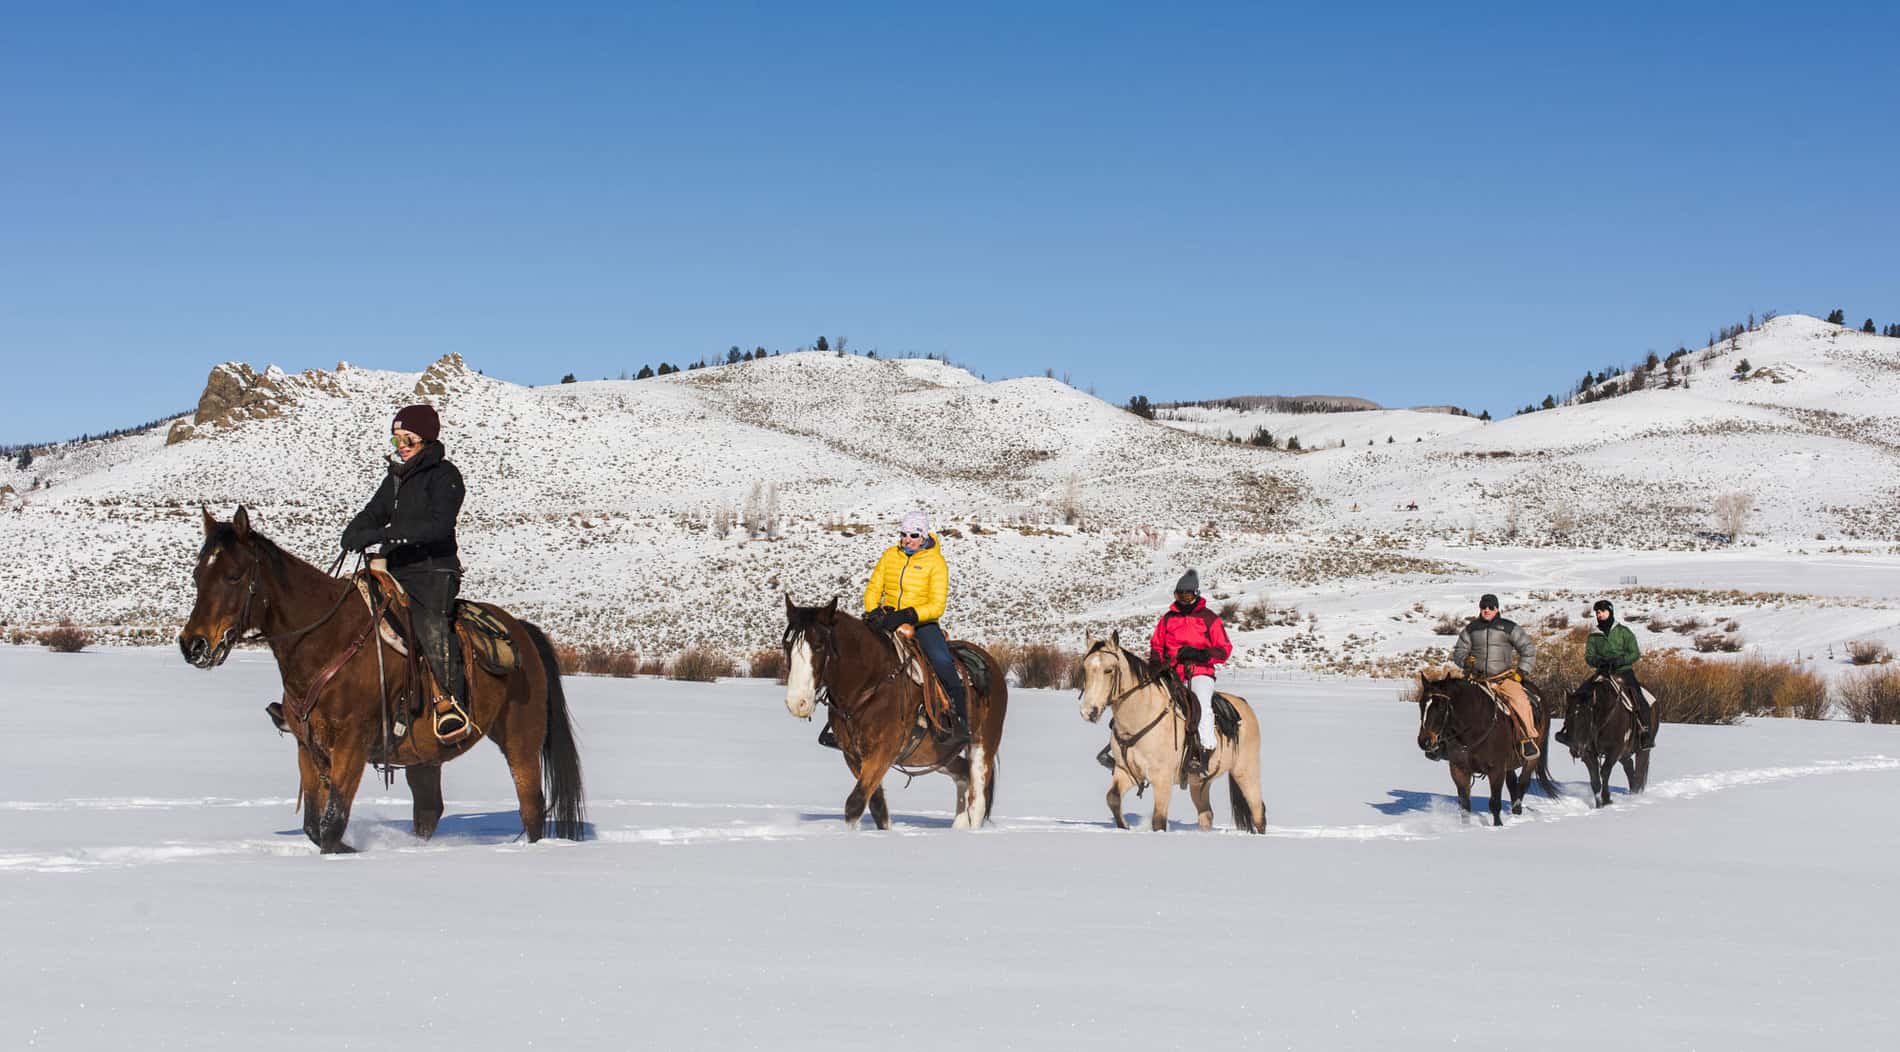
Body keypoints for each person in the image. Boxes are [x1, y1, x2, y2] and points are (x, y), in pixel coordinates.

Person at [340, 404, 470, 742]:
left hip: (432, 571)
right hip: (394, 569)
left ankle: (448, 703)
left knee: (429, 625)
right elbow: (372, 513)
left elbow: (439, 527)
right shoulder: (396, 479)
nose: (402, 444)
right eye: (397, 438)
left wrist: (386, 535)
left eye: (408, 437)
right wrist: (354, 533)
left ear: (426, 438)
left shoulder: (445, 476)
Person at [862, 511, 966, 740]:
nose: (906, 539)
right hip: (886, 618)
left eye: (913, 534)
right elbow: (872, 588)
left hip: (921, 622)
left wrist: (909, 615)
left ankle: (960, 715)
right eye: (903, 534)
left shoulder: (935, 562)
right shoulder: (890, 555)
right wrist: (874, 612)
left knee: (940, 659)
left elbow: (937, 605)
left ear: (924, 536)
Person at [1148, 569, 1233, 775]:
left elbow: (1224, 649)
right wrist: (1155, 662)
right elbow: (1157, 644)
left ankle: (1204, 749)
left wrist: (1202, 654)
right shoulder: (1168, 619)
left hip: (1199, 671)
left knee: (1201, 702)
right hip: (1171, 671)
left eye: (1187, 595)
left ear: (1196, 593)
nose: (1183, 600)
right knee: (1145, 698)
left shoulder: (1209, 618)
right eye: (1179, 595)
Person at [1449, 593, 1541, 761]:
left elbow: (1528, 650)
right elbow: (1459, 652)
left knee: (1520, 700)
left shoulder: (1509, 627)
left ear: (1497, 609)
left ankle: (1527, 738)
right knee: (1453, 703)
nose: (1487, 610)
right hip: (1476, 679)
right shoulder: (1471, 629)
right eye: (1484, 607)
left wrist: (1521, 672)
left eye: (1491, 607)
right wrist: (1465, 661)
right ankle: (1444, 743)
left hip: (1503, 679)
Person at [1562, 599, 1654, 749]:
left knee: (1639, 698)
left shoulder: (1623, 632)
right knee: (1579, 696)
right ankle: (1568, 732)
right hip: (1603, 672)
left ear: (1610, 612)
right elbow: (1589, 656)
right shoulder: (1594, 636)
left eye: (1603, 612)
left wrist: (1621, 660)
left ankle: (1645, 733)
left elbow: (1635, 653)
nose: (1599, 615)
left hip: (1623, 671)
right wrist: (1599, 662)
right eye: (1597, 612)